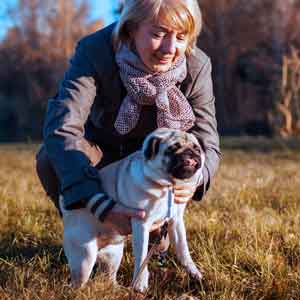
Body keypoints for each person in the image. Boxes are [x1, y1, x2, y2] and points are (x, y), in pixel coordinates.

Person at [36, 0, 220, 247]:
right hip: (101, 154)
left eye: (181, 37)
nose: (170, 48)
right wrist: (98, 204)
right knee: (50, 158)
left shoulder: (197, 65)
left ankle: (155, 229)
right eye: (158, 34)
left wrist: (196, 179)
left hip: (155, 162)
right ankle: (89, 232)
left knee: (158, 246)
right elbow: (62, 128)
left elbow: (207, 139)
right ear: (130, 29)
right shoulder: (94, 51)